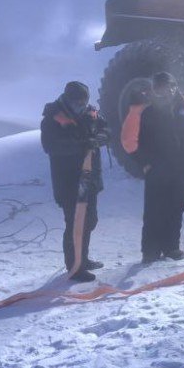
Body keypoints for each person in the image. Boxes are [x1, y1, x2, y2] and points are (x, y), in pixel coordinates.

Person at [125, 71, 184, 263]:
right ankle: (151, 250)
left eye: (171, 86)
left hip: (183, 167)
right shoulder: (147, 111)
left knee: (176, 208)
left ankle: (171, 247)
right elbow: (134, 141)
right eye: (163, 87)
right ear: (155, 89)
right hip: (157, 168)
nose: (168, 91)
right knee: (154, 210)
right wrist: (144, 163)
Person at [40, 80, 108, 283]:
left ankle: (83, 258)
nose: (81, 105)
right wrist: (80, 145)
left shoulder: (90, 114)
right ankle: (74, 266)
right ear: (68, 100)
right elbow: (51, 146)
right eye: (77, 102)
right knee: (74, 224)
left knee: (89, 221)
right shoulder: (52, 118)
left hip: (90, 180)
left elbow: (107, 130)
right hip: (68, 181)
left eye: (83, 102)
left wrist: (98, 139)